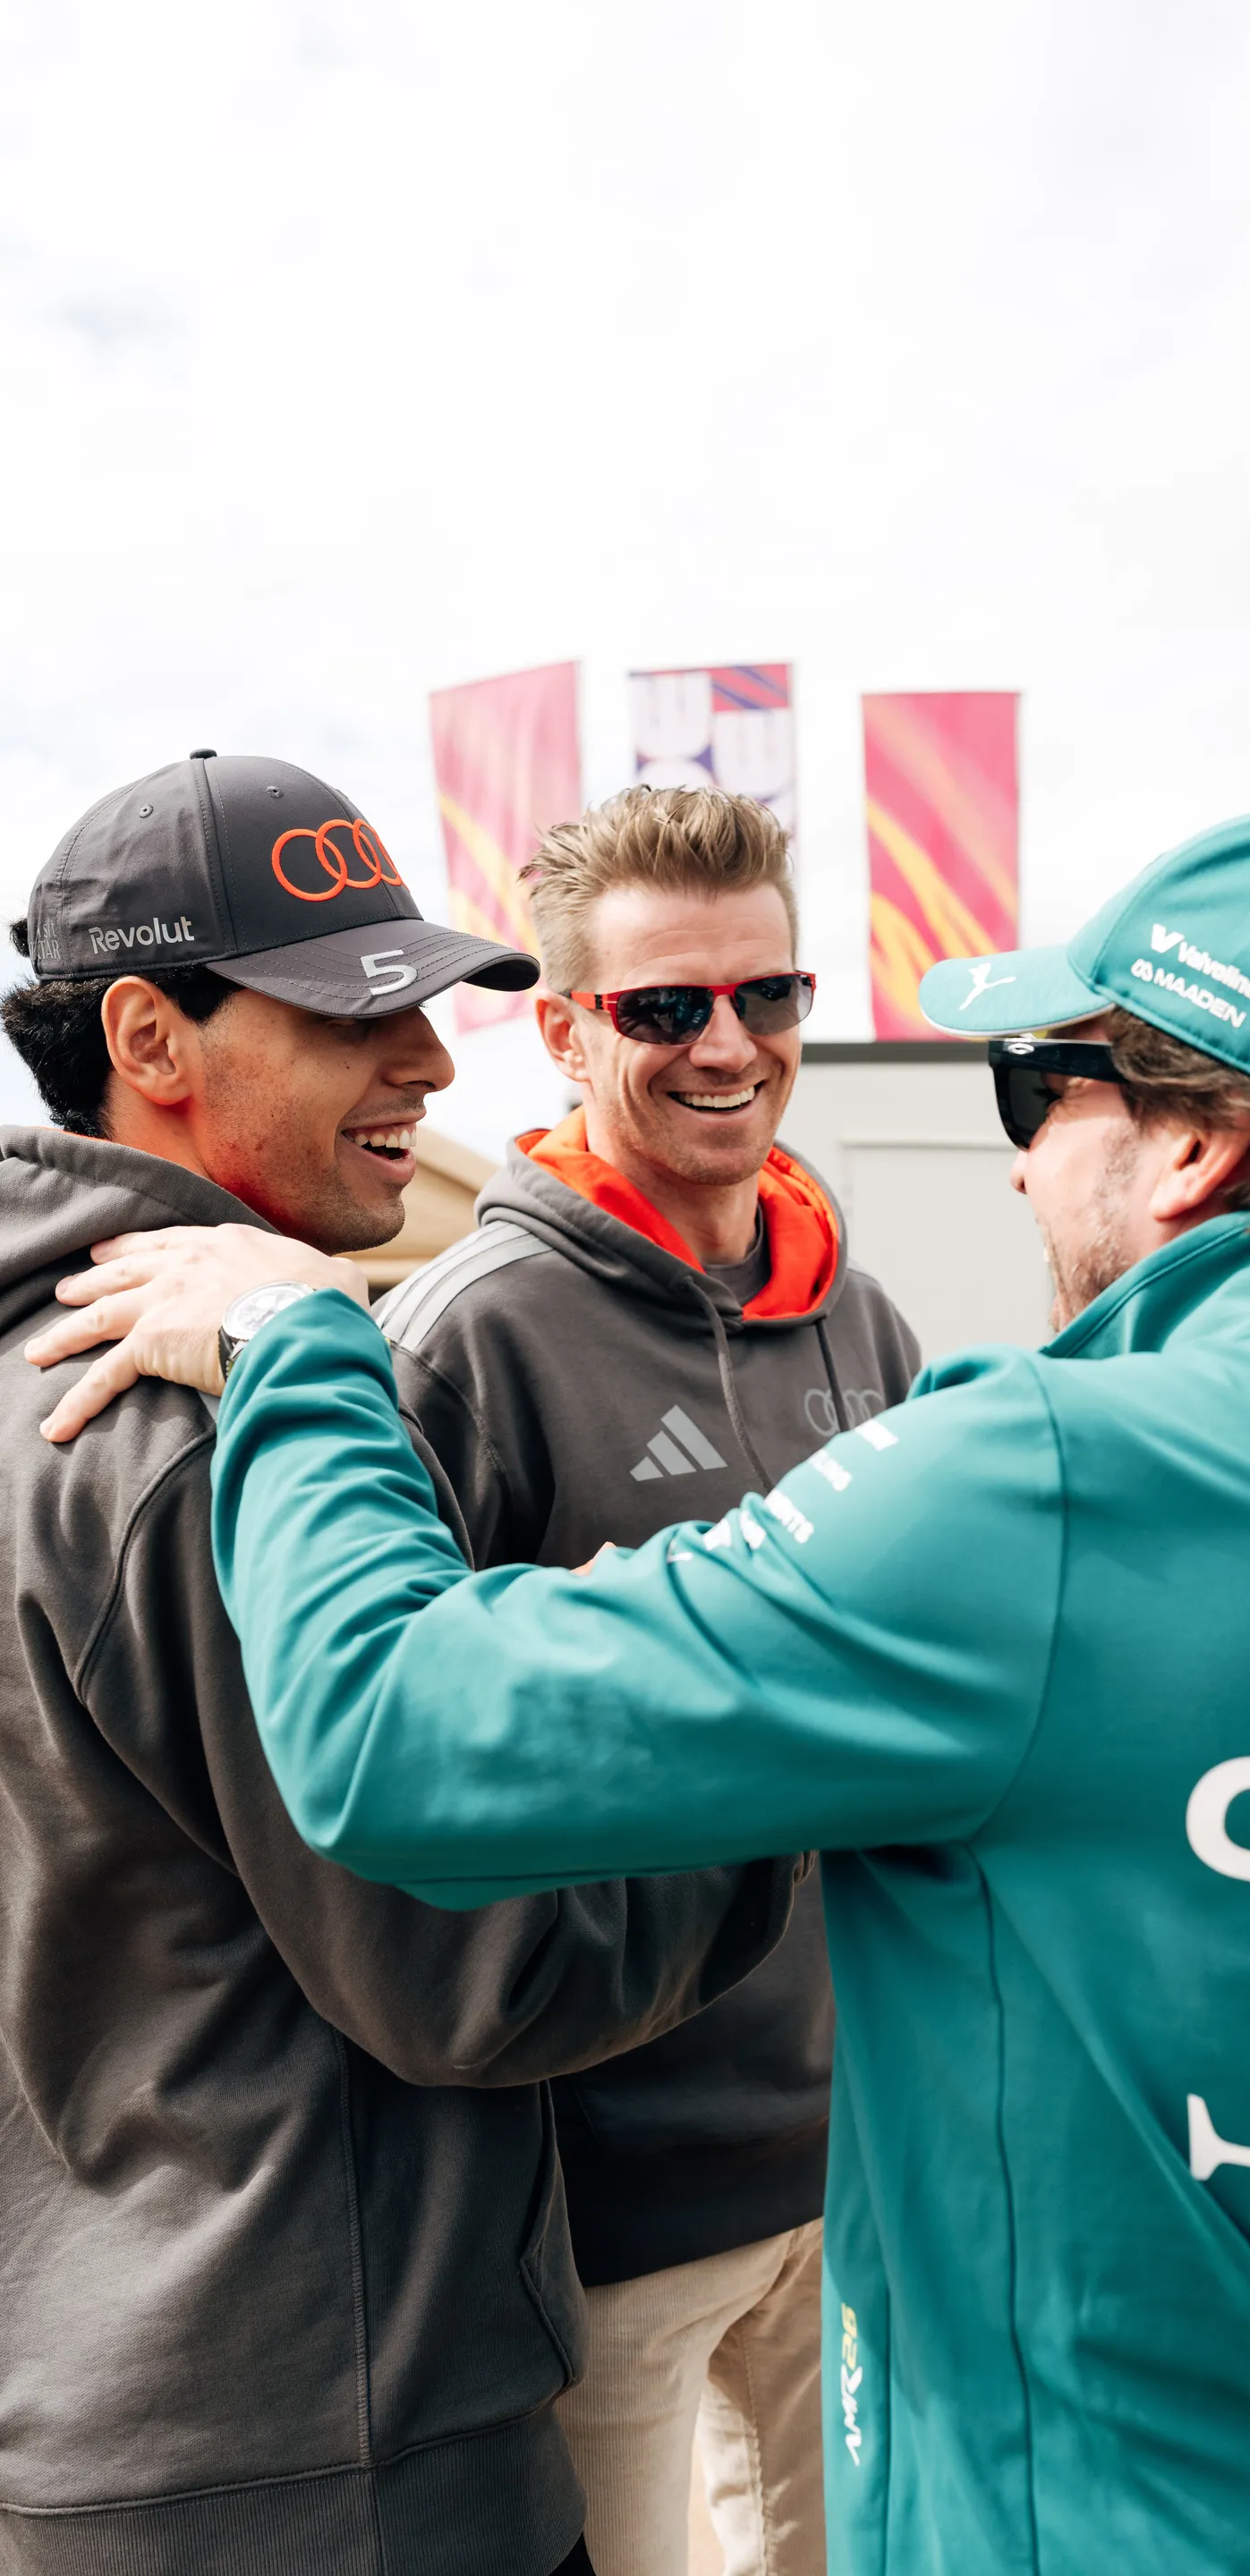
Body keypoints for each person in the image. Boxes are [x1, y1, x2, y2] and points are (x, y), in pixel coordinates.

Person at [34, 809, 1250, 2573]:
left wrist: (298, 1351)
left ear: (1202, 1146)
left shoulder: (1056, 1475)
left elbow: (395, 1733)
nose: (1011, 1169)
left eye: (1039, 1091)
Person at [0, 750, 802, 2576]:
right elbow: (475, 1967)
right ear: (151, 1034)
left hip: (103, 2413)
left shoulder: (34, 1367)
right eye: (356, 1019)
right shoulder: (205, 1437)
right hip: (332, 2459)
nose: (433, 1067)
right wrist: (799, 1787)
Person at [373, 783, 918, 2576]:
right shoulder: (474, 1337)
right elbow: (393, 1753)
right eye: (664, 1007)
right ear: (559, 1028)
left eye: (768, 998)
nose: (728, 1046)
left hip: (858, 2164)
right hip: (602, 2194)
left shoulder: (867, 1319)